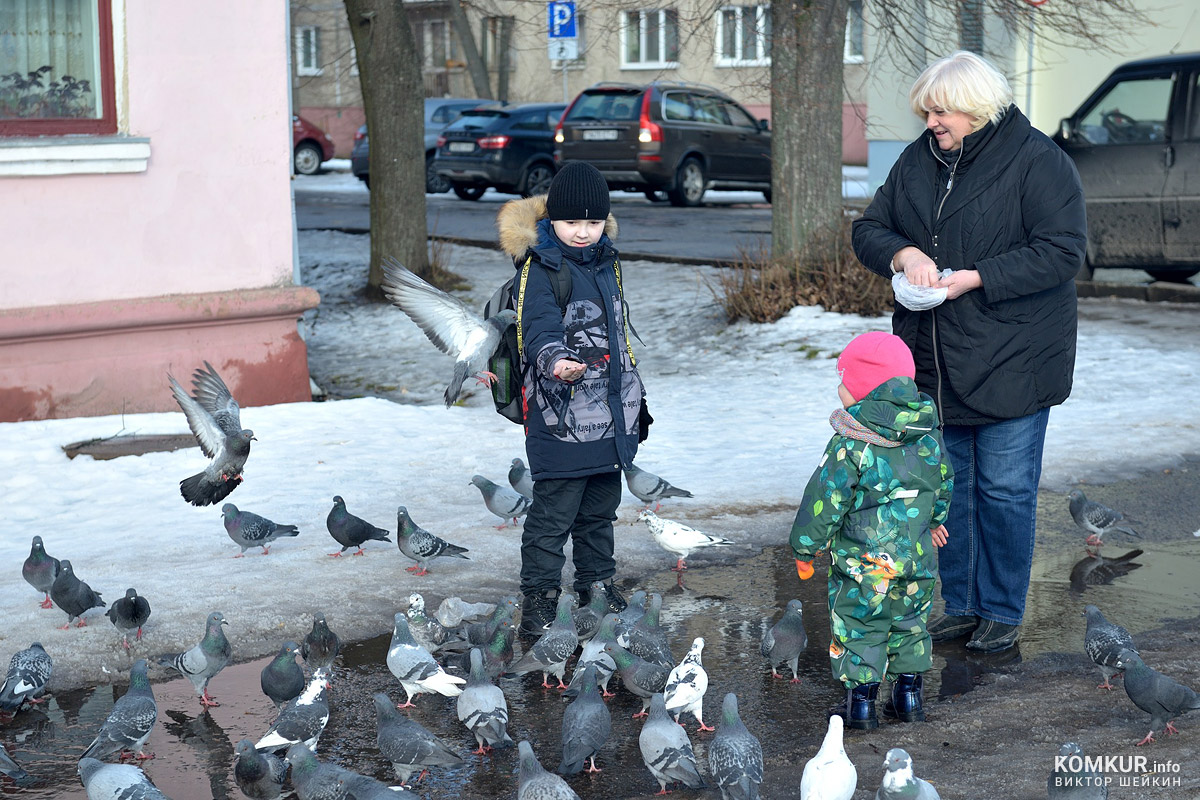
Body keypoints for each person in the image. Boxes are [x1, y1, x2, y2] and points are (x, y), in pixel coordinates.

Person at [851, 51, 1086, 654]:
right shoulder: (916, 161)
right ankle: (960, 606)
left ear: (977, 109)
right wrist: (906, 256)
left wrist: (975, 276)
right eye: (926, 111)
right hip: (933, 357)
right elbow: (870, 228)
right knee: (947, 491)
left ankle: (1002, 609)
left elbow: (1063, 252)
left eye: (940, 110)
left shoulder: (1038, 162)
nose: (930, 122)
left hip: (1015, 354)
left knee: (1005, 491)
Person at [495, 161, 645, 635]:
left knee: (600, 511)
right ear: (551, 221)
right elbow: (537, 328)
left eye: (593, 222)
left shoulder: (607, 262)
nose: (583, 232)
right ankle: (539, 596)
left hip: (608, 418)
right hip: (558, 418)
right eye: (571, 222)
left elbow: (617, 342)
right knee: (552, 516)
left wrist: (635, 404)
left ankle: (597, 584)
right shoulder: (541, 268)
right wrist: (556, 361)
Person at [790, 331, 954, 730]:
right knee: (910, 622)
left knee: (861, 624)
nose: (840, 389)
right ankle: (909, 697)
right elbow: (943, 481)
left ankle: (861, 707)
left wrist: (805, 547)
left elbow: (825, 500)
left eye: (845, 381)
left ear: (867, 389)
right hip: (916, 558)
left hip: (866, 565)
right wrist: (934, 520)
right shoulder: (927, 434)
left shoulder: (851, 443)